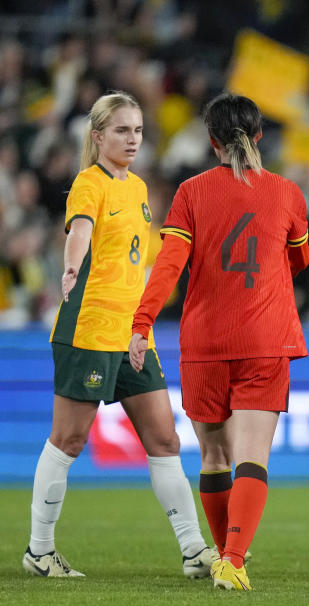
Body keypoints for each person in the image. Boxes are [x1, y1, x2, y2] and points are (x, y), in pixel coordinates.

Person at [23, 91, 215, 579]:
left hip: (133, 334)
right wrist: (70, 268)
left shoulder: (138, 188)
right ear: (98, 137)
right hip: (88, 327)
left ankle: (194, 551)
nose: (132, 140)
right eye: (122, 131)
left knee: (165, 439)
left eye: (138, 131)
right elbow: (79, 231)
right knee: (68, 439)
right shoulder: (90, 183)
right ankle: (39, 551)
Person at [130, 93, 309, 592]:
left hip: (204, 341)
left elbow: (170, 264)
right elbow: (299, 260)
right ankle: (233, 558)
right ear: (258, 137)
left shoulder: (190, 193)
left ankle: (227, 553)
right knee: (253, 455)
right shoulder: (287, 193)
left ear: (211, 144)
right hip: (264, 337)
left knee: (213, 457)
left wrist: (141, 322)